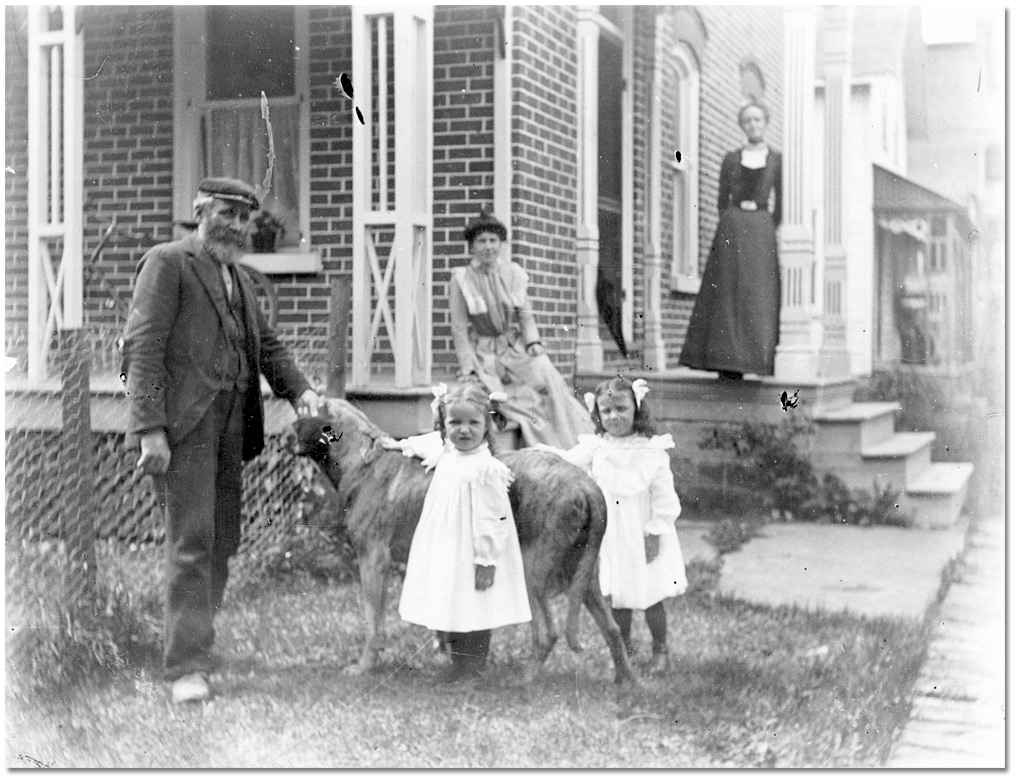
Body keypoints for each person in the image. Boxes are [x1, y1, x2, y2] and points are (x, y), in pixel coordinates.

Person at [122, 176, 320, 704]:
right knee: (192, 544)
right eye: (225, 213)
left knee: (222, 542)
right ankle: (184, 668)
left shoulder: (238, 277)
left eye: (244, 217)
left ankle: (198, 647)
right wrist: (150, 428)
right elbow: (142, 349)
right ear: (199, 210)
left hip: (233, 426)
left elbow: (269, 346)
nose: (235, 225)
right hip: (186, 429)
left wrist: (299, 390)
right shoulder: (169, 262)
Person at [542, 376, 686, 674]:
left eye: (621, 408)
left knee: (651, 594)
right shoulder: (595, 447)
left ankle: (661, 650)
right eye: (606, 411)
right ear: (597, 415)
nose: (614, 417)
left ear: (637, 409)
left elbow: (663, 495)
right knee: (619, 595)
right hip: (611, 534)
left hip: (643, 530)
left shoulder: (651, 449)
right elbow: (568, 461)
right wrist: (540, 455)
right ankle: (626, 650)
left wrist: (656, 531)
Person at [394, 382, 532, 684]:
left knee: (475, 607)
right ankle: (457, 666)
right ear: (444, 426)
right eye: (455, 422)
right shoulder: (449, 454)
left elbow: (493, 518)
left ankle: (473, 670)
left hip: (474, 550)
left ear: (487, 426)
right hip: (447, 547)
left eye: (473, 423)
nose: (464, 430)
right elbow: (428, 443)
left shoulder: (485, 468)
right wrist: (396, 443)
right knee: (453, 603)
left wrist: (486, 559)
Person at [449, 211, 594, 448]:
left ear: (501, 244)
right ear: (472, 246)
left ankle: (573, 440)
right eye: (481, 241)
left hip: (513, 347)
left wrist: (533, 342)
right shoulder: (461, 279)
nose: (488, 247)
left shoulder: (513, 273)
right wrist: (467, 366)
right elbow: (459, 329)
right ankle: (544, 444)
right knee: (501, 396)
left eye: (493, 241)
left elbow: (525, 316)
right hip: (485, 353)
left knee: (546, 371)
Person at [679, 101, 783, 380]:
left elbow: (780, 206)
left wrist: (764, 225)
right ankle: (726, 360)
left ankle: (756, 360)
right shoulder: (731, 158)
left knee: (756, 292)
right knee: (727, 290)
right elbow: (721, 200)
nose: (753, 125)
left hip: (761, 229)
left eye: (758, 120)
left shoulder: (776, 160)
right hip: (732, 227)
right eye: (747, 120)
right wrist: (732, 222)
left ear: (765, 123)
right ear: (742, 125)